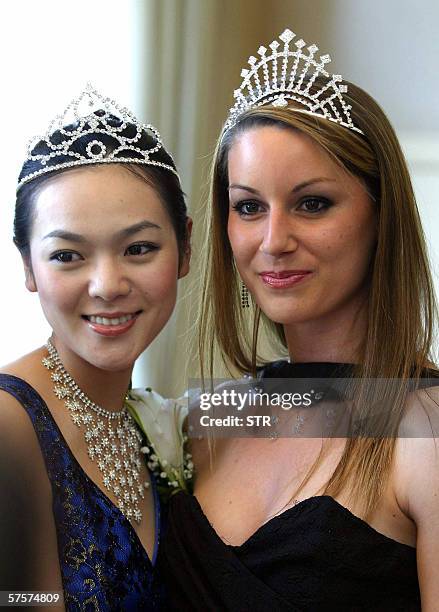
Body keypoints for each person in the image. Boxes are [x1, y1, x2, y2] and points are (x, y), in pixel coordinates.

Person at [138, 29, 439, 610]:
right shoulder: (208, 418)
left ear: (383, 216)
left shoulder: (425, 433)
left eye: (312, 203)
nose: (273, 241)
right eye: (249, 207)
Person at [0, 84, 191, 610]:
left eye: (139, 248)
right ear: (27, 268)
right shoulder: (10, 424)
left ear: (186, 249)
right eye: (67, 255)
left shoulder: (145, 420)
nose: (107, 284)